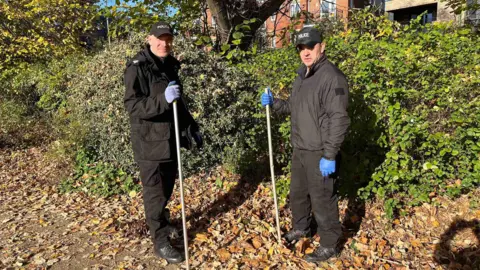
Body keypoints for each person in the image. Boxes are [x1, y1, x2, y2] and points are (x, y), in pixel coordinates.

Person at [260, 26, 350, 262]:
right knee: (298, 194)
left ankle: (330, 243)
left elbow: (339, 118)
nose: (306, 52)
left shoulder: (332, 77)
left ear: (322, 46)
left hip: (320, 150)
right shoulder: (302, 75)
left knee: (322, 199)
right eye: (301, 48)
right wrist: (275, 103)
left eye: (310, 46)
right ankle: (302, 228)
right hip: (300, 148)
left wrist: (330, 154)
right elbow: (294, 107)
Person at [123, 21, 203, 264]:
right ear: (149, 39)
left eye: (168, 39)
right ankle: (159, 240)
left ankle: (164, 223)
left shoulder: (169, 65)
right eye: (159, 38)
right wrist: (162, 100)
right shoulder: (137, 68)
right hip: (149, 144)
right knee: (155, 194)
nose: (164, 43)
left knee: (166, 188)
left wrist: (191, 126)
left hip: (170, 140)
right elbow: (133, 106)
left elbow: (178, 102)